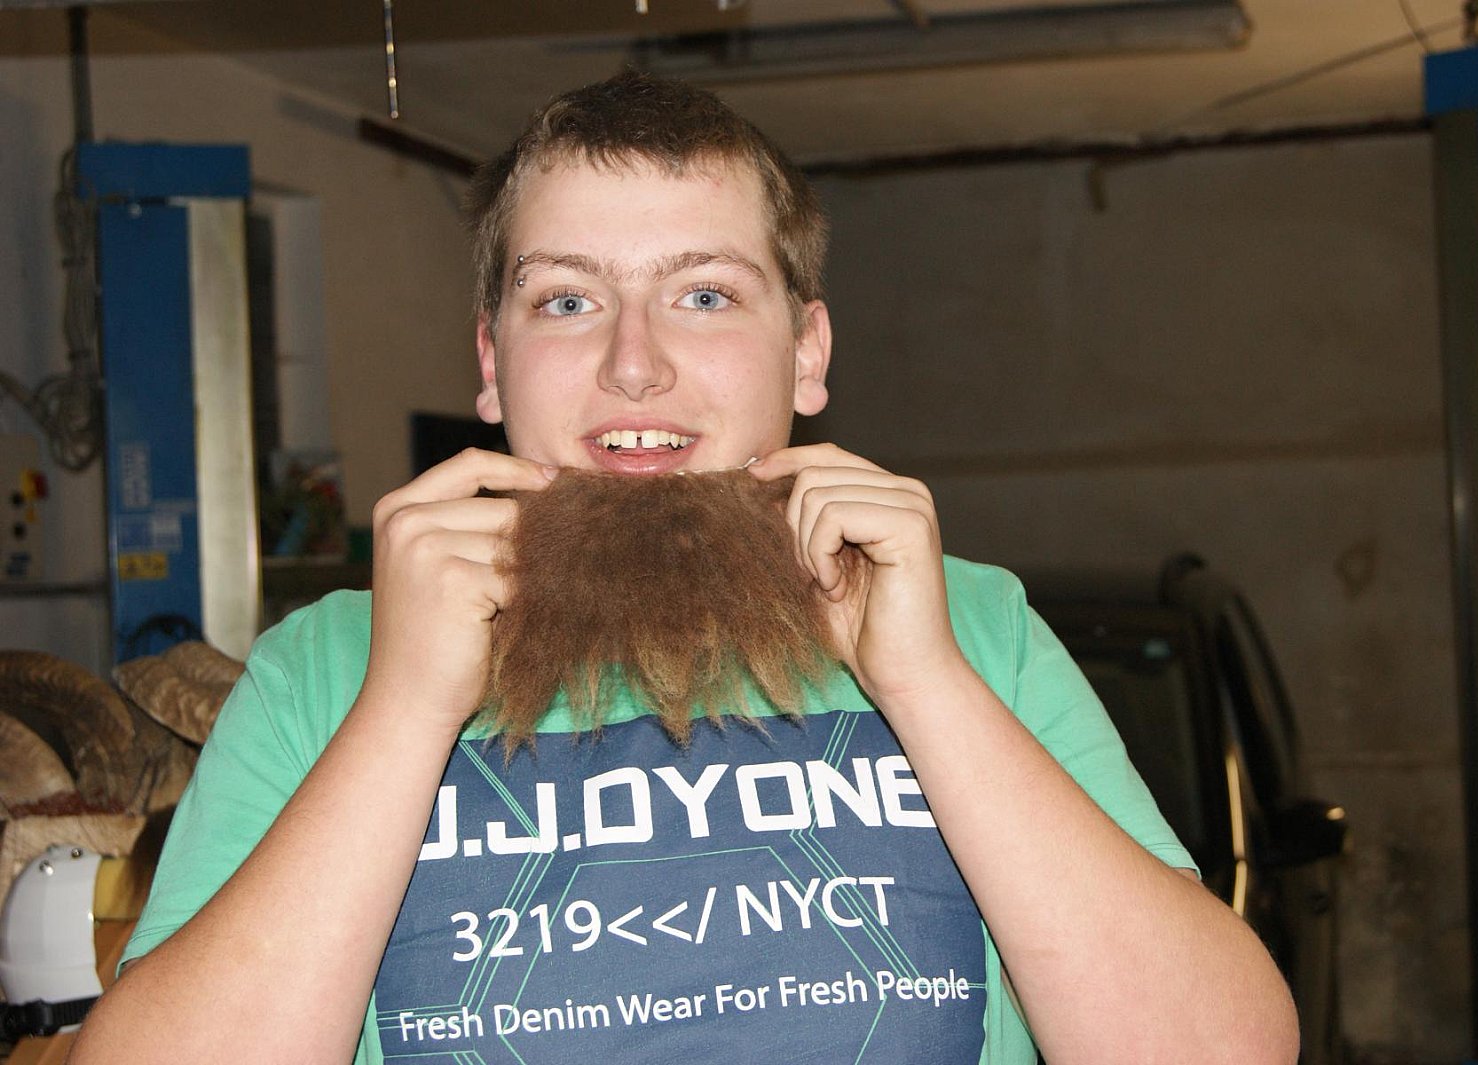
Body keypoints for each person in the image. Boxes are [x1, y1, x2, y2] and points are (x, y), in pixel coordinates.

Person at [68, 72, 1298, 1064]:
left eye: (704, 295)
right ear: (490, 365)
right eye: (565, 302)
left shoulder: (966, 626)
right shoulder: (334, 665)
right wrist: (403, 710)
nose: (634, 366)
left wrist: (924, 684)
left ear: (806, 352)